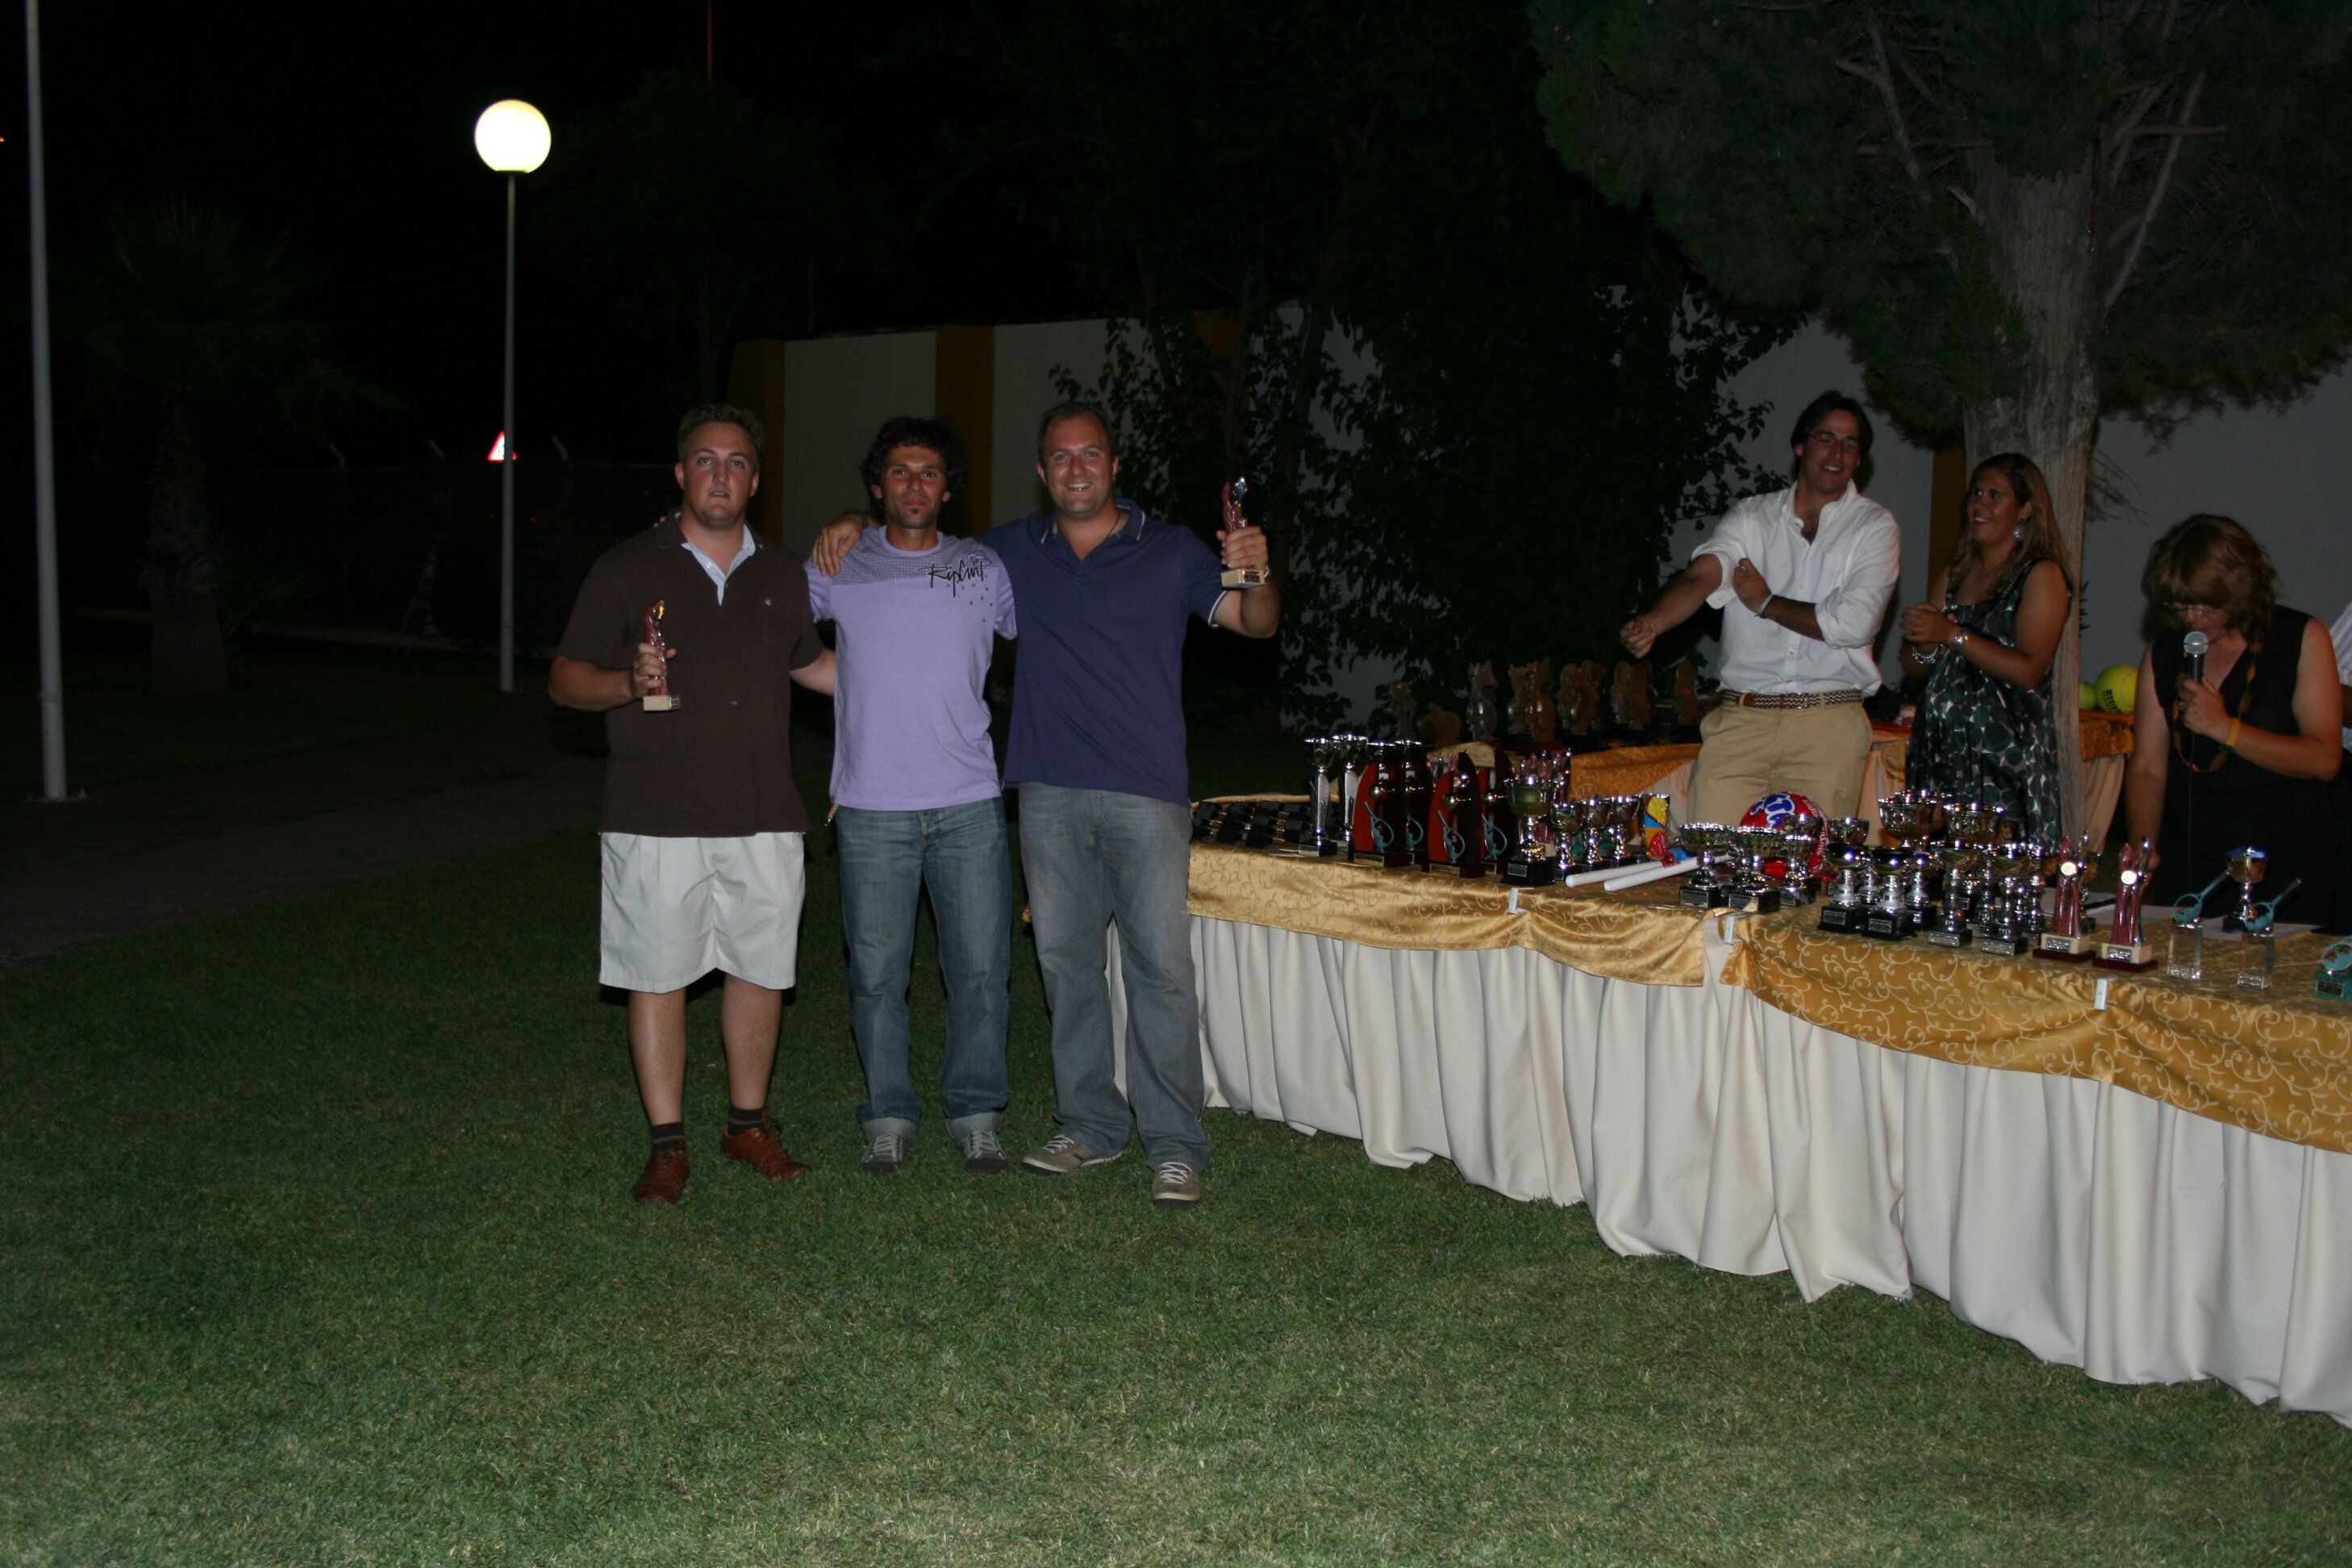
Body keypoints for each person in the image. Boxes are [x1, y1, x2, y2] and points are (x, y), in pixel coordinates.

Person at [813, 401, 1277, 1207]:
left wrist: (1256, 569)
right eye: (1060, 457)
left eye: (1089, 454)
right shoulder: (1004, 555)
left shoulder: (1170, 549)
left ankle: (1174, 1145)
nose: (1075, 468)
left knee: (1162, 971)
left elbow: (1254, 623)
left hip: (1147, 792)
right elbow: (915, 538)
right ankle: (1090, 1125)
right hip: (1048, 791)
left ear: (1114, 465)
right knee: (1066, 968)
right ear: (1041, 472)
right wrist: (853, 521)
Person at [551, 405, 837, 1205]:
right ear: (681, 474)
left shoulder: (781, 571)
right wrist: (625, 683)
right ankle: (667, 1146)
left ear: (756, 479)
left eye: (737, 461)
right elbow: (565, 680)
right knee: (657, 974)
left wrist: (915, 681)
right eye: (706, 460)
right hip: (654, 811)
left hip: (764, 808)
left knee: (760, 969)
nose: (721, 474)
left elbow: (813, 665)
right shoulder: (625, 567)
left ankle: (747, 1126)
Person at [804, 417, 1019, 1178]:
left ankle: (976, 1113)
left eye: (930, 472)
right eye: (899, 471)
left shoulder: (983, 568)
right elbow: (774, 638)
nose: (915, 484)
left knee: (981, 973)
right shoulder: (841, 563)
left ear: (949, 488)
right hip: (871, 809)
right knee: (876, 977)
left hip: (968, 804)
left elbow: (1057, 635)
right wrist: (847, 686)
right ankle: (888, 1116)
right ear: (877, 485)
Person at [1620, 390, 1901, 825]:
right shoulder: (1751, 518)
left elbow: (1853, 624)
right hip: (1742, 722)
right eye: (1826, 438)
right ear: (1800, 445)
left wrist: (1765, 603)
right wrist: (1653, 622)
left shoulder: (1874, 526)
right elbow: (1703, 575)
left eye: (1851, 444)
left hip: (1827, 727)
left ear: (1860, 458)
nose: (1837, 454)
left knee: (1809, 866)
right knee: (1713, 855)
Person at [2123, 515, 2343, 930]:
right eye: (2180, 605)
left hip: (2285, 855)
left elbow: (2325, 759)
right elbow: (2148, 768)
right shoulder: (2165, 653)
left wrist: (2225, 728)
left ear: (2239, 588)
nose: (2192, 617)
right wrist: (2143, 845)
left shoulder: (2300, 637)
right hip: (2193, 854)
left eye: (2205, 603)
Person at [1895, 452, 2072, 840]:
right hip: (1943, 751)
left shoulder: (2040, 574)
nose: (1980, 505)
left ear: (2025, 509)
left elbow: (2030, 670)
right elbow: (1916, 664)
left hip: (2003, 758)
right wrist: (1926, 644)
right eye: (1976, 494)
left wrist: (1952, 635)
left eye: (1995, 496)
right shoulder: (1957, 571)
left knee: (1996, 866)